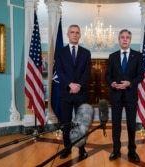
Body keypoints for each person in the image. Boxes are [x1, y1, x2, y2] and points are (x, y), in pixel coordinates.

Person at [106, 29, 144, 162]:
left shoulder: (138, 56)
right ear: (118, 39)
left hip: (130, 95)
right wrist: (112, 83)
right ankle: (116, 150)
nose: (125, 39)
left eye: (127, 37)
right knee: (115, 124)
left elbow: (141, 75)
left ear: (130, 40)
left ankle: (132, 151)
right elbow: (108, 76)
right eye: (122, 37)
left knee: (131, 124)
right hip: (116, 94)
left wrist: (129, 83)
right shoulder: (113, 56)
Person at [54, 24, 91, 159]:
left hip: (81, 93)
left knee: (81, 123)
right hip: (65, 93)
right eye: (72, 32)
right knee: (66, 122)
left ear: (80, 35)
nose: (75, 34)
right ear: (68, 35)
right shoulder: (60, 52)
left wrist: (78, 85)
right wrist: (70, 84)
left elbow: (87, 72)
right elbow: (59, 70)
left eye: (77, 32)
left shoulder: (86, 53)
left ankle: (81, 149)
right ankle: (67, 148)